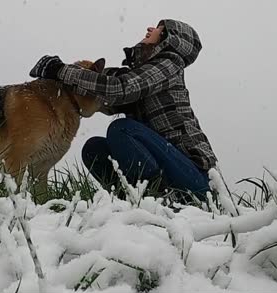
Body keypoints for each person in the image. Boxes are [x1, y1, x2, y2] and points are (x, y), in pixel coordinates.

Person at [29, 19, 217, 199]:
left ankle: (158, 197)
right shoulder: (141, 74)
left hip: (195, 179)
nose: (150, 28)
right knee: (93, 148)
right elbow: (104, 96)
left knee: (122, 128)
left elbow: (119, 87)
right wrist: (64, 79)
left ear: (171, 38)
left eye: (160, 28)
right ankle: (130, 199)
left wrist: (61, 70)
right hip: (165, 167)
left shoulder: (169, 63)